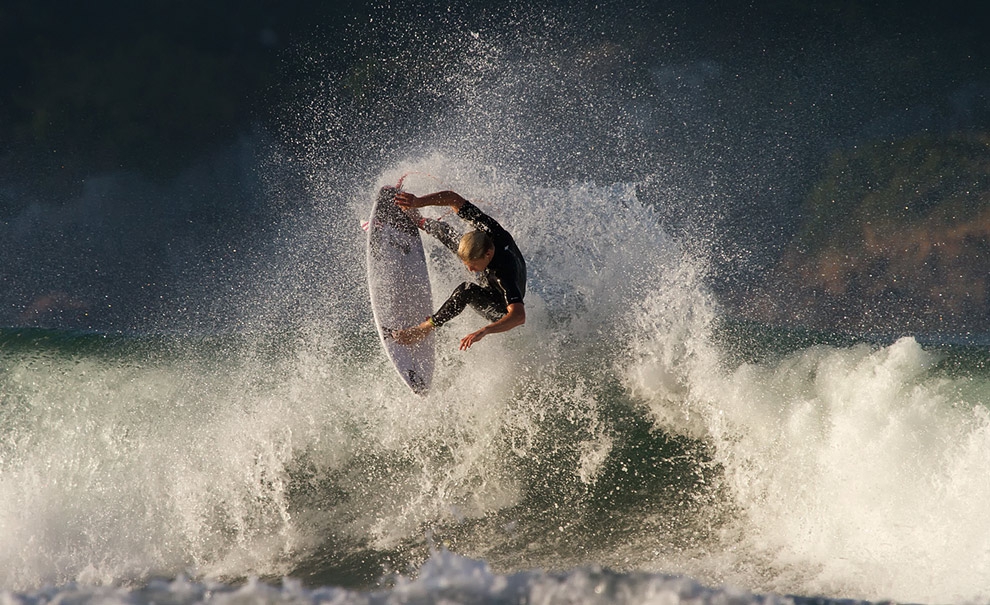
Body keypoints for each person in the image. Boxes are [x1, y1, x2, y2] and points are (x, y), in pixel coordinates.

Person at [391, 190, 526, 350]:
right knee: (447, 233)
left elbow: (519, 316)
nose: (469, 269)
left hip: (500, 306)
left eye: (472, 265)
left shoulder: (503, 274)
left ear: (488, 254)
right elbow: (453, 199)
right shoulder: (488, 229)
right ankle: (419, 221)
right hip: (486, 260)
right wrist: (418, 201)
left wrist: (485, 330)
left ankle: (425, 328)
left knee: (466, 290)